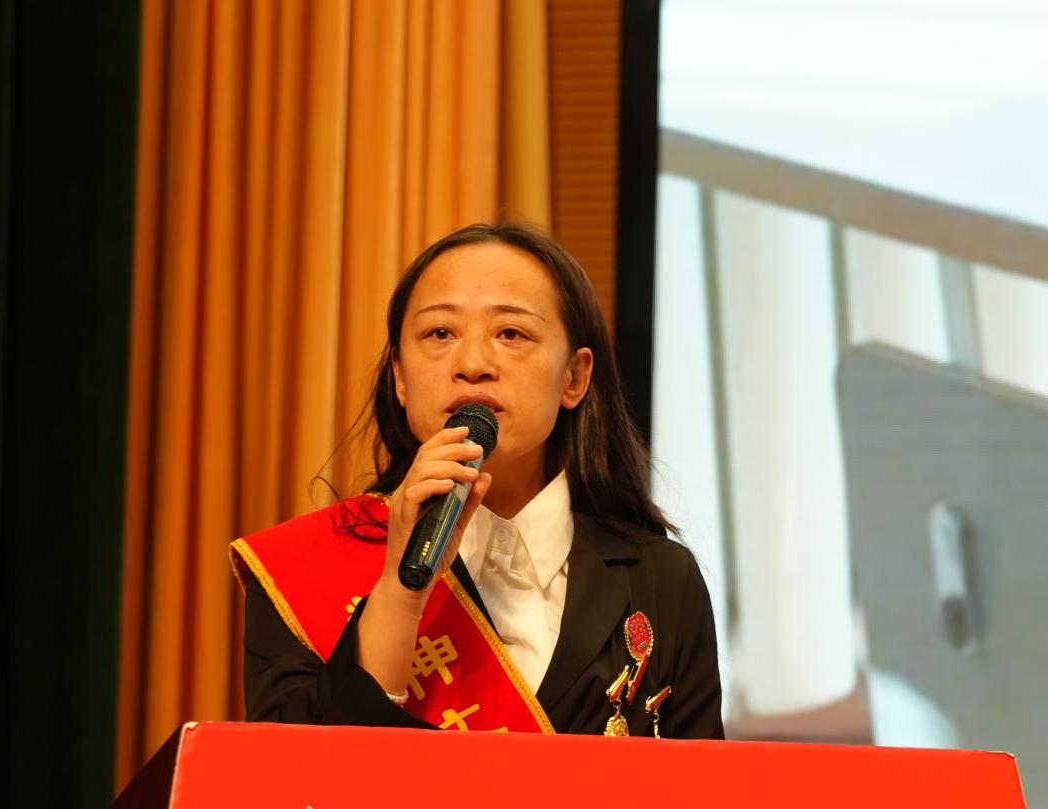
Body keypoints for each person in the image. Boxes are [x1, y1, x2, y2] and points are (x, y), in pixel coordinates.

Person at [232, 222, 723, 739]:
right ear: (400, 376)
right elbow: (294, 780)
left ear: (575, 377)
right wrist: (400, 594)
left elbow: (702, 788)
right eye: (440, 334)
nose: (472, 364)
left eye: (511, 334)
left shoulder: (661, 580)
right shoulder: (304, 569)